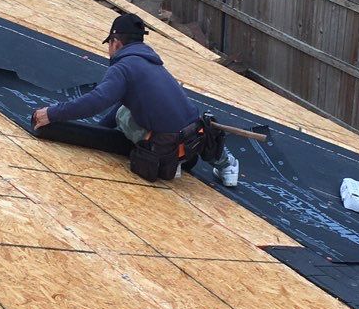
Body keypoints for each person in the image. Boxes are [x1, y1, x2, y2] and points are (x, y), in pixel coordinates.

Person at [32, 13, 240, 186]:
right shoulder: (152, 64)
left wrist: (52, 113)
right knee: (130, 106)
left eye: (109, 44)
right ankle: (224, 161)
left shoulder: (123, 67)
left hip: (166, 149)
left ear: (116, 43)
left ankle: (169, 159)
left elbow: (96, 101)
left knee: (123, 114)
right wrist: (99, 130)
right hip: (195, 140)